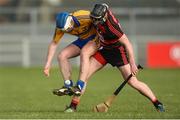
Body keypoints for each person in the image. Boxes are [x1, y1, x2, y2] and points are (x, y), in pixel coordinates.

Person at [64, 3, 165, 112]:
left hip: (117, 52)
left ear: (104, 17)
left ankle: (157, 103)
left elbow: (127, 44)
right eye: (93, 18)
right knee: (84, 77)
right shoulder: (98, 15)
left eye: (97, 19)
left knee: (133, 82)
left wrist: (132, 64)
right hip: (103, 50)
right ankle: (73, 106)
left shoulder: (112, 28)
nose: (94, 21)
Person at [43, 10, 99, 96]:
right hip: (82, 40)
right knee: (62, 56)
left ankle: (80, 85)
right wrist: (48, 64)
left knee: (84, 53)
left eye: (69, 29)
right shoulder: (60, 27)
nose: (68, 31)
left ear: (70, 20)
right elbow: (54, 43)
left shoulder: (83, 16)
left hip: (95, 38)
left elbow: (99, 19)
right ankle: (68, 85)